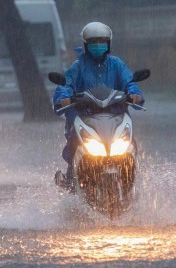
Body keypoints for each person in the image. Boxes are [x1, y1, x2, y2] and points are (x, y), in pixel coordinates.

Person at [53, 21, 144, 190]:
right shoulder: (78, 67)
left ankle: (131, 177)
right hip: (86, 116)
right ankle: (71, 176)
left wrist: (134, 94)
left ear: (108, 43)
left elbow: (129, 82)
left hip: (115, 115)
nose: (97, 45)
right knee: (74, 142)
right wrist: (63, 98)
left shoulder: (117, 65)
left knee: (130, 144)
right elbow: (65, 85)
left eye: (101, 41)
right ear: (85, 45)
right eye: (93, 42)